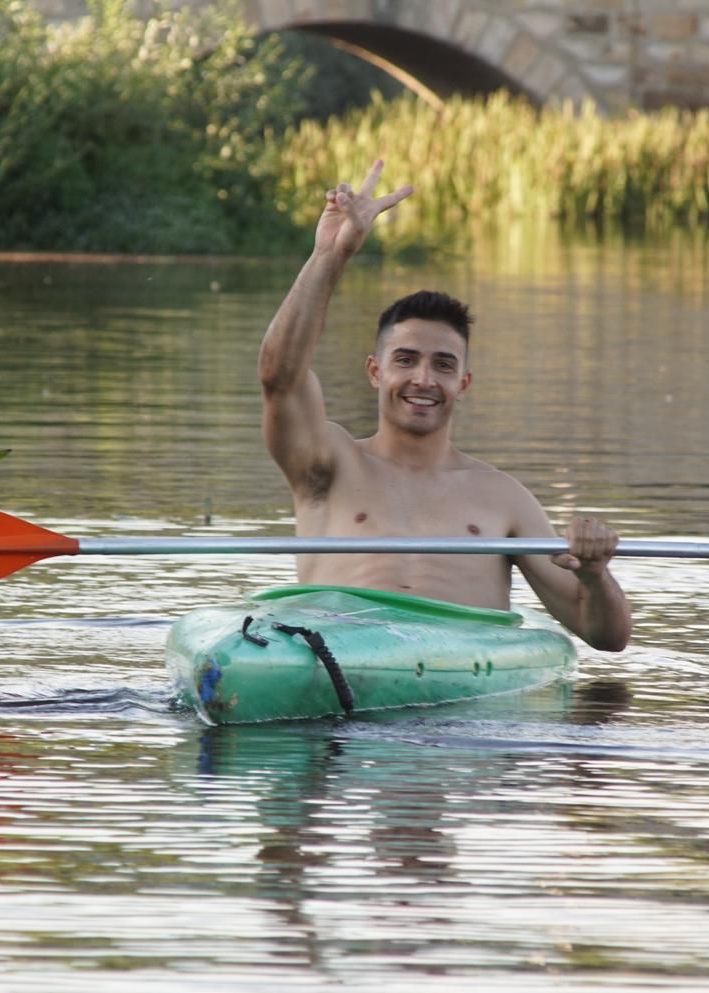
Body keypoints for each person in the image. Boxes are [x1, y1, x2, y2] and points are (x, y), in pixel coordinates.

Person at [257, 160, 631, 652]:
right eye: (406, 360)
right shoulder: (326, 463)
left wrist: (595, 576)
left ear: (464, 382)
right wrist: (330, 255)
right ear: (375, 371)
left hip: (457, 678)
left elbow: (606, 636)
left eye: (443, 365)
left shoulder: (503, 497)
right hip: (337, 656)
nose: (423, 379)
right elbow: (279, 377)